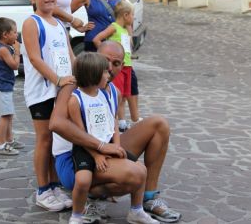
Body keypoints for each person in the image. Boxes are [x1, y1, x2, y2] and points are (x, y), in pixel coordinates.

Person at [50, 41, 181, 223]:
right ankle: (89, 195)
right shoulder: (74, 86)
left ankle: (149, 197)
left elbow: (111, 127)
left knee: (159, 124)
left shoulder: (114, 91)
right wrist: (101, 147)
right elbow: (56, 124)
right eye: (105, 61)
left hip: (104, 150)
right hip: (74, 157)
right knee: (135, 174)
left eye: (116, 63)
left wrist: (115, 148)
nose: (110, 68)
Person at [67, 52, 158, 224]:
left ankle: (136, 210)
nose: (109, 76)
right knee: (83, 180)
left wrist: (117, 146)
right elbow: (80, 134)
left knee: (141, 169)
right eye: (105, 72)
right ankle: (77, 215)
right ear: (93, 75)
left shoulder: (106, 95)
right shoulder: (75, 100)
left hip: (108, 144)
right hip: (87, 149)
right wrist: (97, 155)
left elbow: (113, 121)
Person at [22, 0, 76, 212]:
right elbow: (34, 57)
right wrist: (57, 79)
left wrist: (78, 78)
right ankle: (43, 190)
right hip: (42, 92)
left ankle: (54, 186)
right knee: (44, 140)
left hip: (62, 90)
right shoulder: (32, 23)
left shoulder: (58, 24)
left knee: (56, 141)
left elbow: (70, 56)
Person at [93, 0, 141, 131]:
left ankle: (122, 120)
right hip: (118, 68)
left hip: (127, 66)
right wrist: (106, 57)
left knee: (124, 95)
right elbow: (97, 39)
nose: (133, 18)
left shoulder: (125, 30)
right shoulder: (114, 27)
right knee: (117, 94)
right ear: (125, 15)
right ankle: (119, 121)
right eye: (132, 15)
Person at [0, 17, 24, 156]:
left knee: (9, 115)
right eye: (15, 32)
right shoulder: (3, 50)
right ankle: (0, 145)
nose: (17, 35)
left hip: (6, 86)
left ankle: (9, 140)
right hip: (2, 87)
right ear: (5, 34)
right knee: (5, 116)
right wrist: (17, 51)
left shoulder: (5, 46)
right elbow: (15, 65)